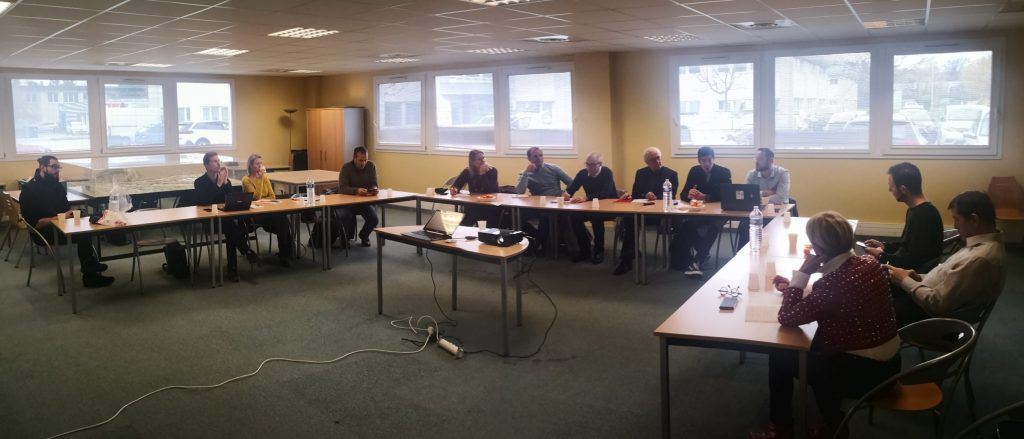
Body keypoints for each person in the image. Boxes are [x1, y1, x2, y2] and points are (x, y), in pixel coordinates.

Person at [753, 211, 901, 439]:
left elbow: (787, 317)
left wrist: (802, 275)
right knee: (816, 342)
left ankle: (783, 429)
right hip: (892, 365)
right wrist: (795, 287)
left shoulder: (833, 284)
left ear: (818, 247)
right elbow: (839, 298)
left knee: (779, 356)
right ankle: (829, 422)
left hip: (864, 374)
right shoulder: (869, 263)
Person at [887, 191, 1006, 326]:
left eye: (957, 219)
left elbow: (937, 304)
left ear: (974, 220)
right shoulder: (981, 246)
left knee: (875, 306)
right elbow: (948, 277)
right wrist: (918, 277)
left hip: (931, 318)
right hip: (926, 297)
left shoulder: (979, 259)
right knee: (882, 287)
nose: (955, 225)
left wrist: (904, 281)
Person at [19, 155, 114, 288]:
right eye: (54, 167)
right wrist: (61, 217)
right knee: (83, 235)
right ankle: (90, 275)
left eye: (58, 167)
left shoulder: (56, 186)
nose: (57, 170)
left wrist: (74, 214)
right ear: (43, 167)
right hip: (43, 232)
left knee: (89, 226)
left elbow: (65, 209)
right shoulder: (29, 190)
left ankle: (90, 266)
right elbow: (35, 224)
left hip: (62, 225)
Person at [863, 162, 943, 272]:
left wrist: (881, 255)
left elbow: (911, 262)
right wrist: (884, 246)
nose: (889, 190)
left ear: (903, 189)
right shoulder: (915, 210)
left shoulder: (924, 216)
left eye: (891, 186)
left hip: (913, 276)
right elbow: (906, 246)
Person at [614, 147, 680, 275]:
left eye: (658, 158)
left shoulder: (671, 174)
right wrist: (646, 194)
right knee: (629, 219)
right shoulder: (640, 173)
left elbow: (671, 196)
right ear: (647, 162)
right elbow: (635, 194)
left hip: (660, 214)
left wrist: (656, 197)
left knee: (632, 220)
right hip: (642, 210)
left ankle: (630, 253)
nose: (657, 161)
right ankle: (627, 259)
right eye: (653, 159)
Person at [194, 152, 258, 282]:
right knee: (232, 229)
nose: (219, 164)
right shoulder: (200, 182)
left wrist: (226, 182)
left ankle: (233, 269)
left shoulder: (223, 180)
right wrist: (218, 185)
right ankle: (245, 252)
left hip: (226, 218)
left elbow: (231, 199)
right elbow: (204, 201)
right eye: (214, 161)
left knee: (232, 229)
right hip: (210, 220)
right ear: (206, 165)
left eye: (219, 161)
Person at [677, 146, 732, 277]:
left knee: (714, 225)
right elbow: (683, 194)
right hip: (699, 210)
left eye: (709, 160)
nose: (706, 164)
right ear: (699, 161)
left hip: (719, 212)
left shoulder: (724, 172)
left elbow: (727, 195)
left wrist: (705, 197)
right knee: (686, 224)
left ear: (714, 159)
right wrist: (689, 195)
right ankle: (703, 253)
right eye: (703, 161)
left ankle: (697, 259)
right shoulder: (694, 171)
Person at [515, 147, 574, 254]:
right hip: (538, 205)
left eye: (541, 155)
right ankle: (536, 237)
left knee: (545, 216)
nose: (539, 158)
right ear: (529, 158)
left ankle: (539, 244)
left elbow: (571, 182)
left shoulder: (553, 168)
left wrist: (565, 193)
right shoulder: (525, 173)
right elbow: (519, 191)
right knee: (517, 216)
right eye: (535, 156)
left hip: (555, 203)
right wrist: (526, 173)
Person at [565, 152, 618, 264]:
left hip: (609, 206)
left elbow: (606, 193)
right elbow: (572, 187)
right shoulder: (583, 173)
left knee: (596, 217)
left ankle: (599, 250)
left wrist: (586, 198)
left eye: (593, 164)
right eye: (587, 164)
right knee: (573, 217)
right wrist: (567, 194)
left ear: (600, 164)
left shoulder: (606, 172)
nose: (589, 167)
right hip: (590, 206)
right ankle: (585, 250)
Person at [241, 154, 293, 267]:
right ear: (251, 165)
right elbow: (255, 198)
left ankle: (285, 254)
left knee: (282, 220)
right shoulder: (246, 180)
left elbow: (272, 196)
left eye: (261, 163)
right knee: (282, 221)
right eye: (257, 164)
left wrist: (263, 199)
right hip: (254, 214)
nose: (260, 166)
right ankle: (286, 254)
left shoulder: (265, 177)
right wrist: (260, 180)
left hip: (268, 210)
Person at [736, 148, 791, 248]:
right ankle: (741, 254)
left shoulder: (783, 173)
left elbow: (780, 198)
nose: (756, 162)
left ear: (770, 160)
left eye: (760, 159)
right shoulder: (751, 174)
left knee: (770, 226)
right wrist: (767, 193)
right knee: (745, 226)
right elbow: (746, 196)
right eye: (755, 158)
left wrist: (757, 195)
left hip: (778, 212)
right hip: (757, 211)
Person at [335, 146, 379, 247]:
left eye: (365, 160)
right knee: (345, 216)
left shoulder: (371, 166)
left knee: (374, 219)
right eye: (360, 160)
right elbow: (342, 188)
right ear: (354, 158)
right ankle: (344, 238)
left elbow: (374, 183)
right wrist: (356, 190)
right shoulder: (346, 168)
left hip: (363, 202)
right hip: (347, 203)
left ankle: (364, 236)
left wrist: (374, 189)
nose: (363, 163)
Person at [450, 149, 501, 227]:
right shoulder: (467, 171)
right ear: (472, 162)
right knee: (465, 220)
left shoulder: (492, 170)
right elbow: (456, 186)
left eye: (484, 158)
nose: (483, 161)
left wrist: (482, 174)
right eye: (480, 159)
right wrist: (454, 190)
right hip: (474, 204)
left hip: (490, 204)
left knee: (481, 217)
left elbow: (490, 190)